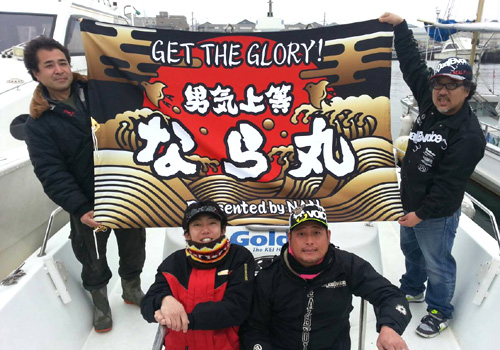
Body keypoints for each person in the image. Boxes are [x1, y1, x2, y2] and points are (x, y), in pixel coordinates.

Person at [23, 36, 146, 332]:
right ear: (36, 74)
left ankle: (131, 287)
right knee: (92, 254)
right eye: (49, 65)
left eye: (62, 62)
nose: (59, 70)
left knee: (134, 244)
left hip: (126, 190)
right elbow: (51, 172)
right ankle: (100, 300)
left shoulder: (100, 92)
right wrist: (79, 207)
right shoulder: (38, 124)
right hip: (87, 202)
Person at [379, 13, 486, 338]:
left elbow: (448, 187)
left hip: (436, 214)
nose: (442, 91)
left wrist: (420, 214)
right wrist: (400, 27)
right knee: (411, 252)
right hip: (410, 203)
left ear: (467, 90)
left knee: (438, 262)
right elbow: (411, 64)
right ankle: (412, 288)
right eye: (439, 84)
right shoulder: (428, 103)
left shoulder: (468, 136)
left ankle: (440, 310)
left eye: (452, 86)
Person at [240, 203, 411, 350]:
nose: (309, 241)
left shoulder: (348, 265)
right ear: (289, 238)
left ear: (328, 236)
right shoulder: (269, 275)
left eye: (316, 233)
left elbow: (391, 296)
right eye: (301, 234)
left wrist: (390, 327)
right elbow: (253, 329)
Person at [141, 200, 255, 350]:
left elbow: (237, 308)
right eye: (197, 225)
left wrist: (186, 319)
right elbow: (146, 306)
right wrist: (163, 300)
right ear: (187, 234)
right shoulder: (174, 262)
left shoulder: (240, 257)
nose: (205, 230)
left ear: (223, 229)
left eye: (212, 223)